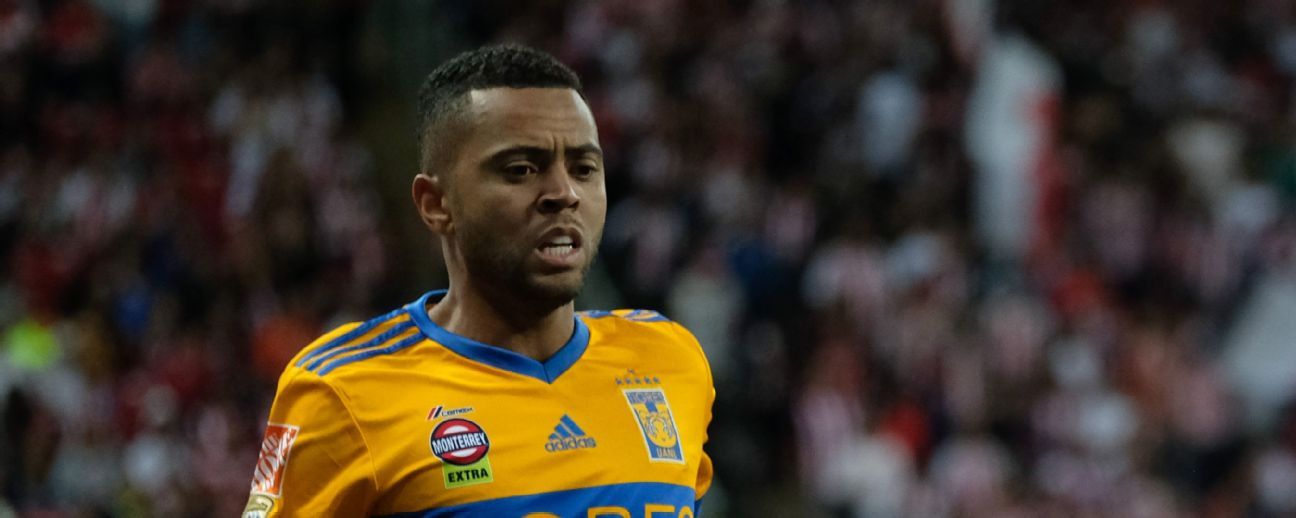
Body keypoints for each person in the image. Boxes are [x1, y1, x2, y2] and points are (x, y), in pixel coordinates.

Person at [243, 44, 715, 517]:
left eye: (584, 169)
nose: (564, 193)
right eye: (521, 170)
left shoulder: (669, 359)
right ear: (435, 204)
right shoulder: (340, 392)